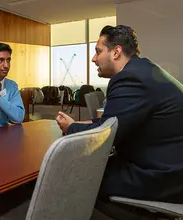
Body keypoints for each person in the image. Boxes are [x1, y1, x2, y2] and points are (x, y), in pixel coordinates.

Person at [56, 25, 183, 204]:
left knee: (77, 173)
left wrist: (71, 127)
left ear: (116, 52)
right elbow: (118, 120)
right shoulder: (142, 70)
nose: (93, 58)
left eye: (98, 51)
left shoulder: (130, 78)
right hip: (170, 166)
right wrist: (89, 123)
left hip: (163, 176)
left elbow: (105, 136)